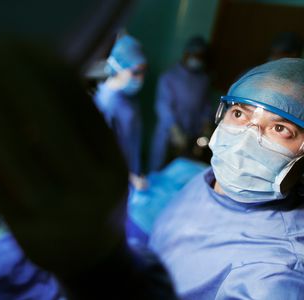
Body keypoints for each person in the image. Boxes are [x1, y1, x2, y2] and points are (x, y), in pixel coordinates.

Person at [149, 58, 304, 299]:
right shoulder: (211, 178)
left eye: (280, 129)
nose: (245, 141)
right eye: (240, 113)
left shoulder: (274, 276)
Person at [149, 36, 211, 171]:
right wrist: (175, 130)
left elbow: (205, 104)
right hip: (168, 133)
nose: (197, 59)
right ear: (186, 53)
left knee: (183, 170)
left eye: (200, 56)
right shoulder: (169, 77)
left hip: (192, 132)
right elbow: (163, 107)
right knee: (159, 169)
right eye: (194, 55)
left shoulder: (203, 79)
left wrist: (206, 125)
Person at [94, 33, 147, 188]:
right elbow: (100, 154)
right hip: (112, 180)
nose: (141, 78)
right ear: (118, 67)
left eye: (144, 71)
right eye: (136, 72)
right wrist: (130, 178)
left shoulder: (129, 96)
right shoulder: (105, 102)